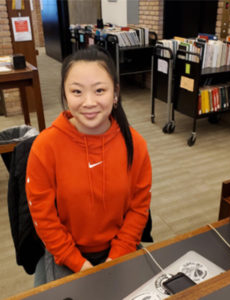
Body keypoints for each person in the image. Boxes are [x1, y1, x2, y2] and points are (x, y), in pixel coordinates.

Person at [25, 45, 152, 285]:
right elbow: (44, 217)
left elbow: (139, 206)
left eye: (100, 90)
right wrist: (79, 264)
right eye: (76, 91)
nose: (89, 102)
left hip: (120, 249)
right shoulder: (45, 147)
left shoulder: (135, 144)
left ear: (115, 93)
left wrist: (117, 255)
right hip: (66, 254)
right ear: (64, 93)